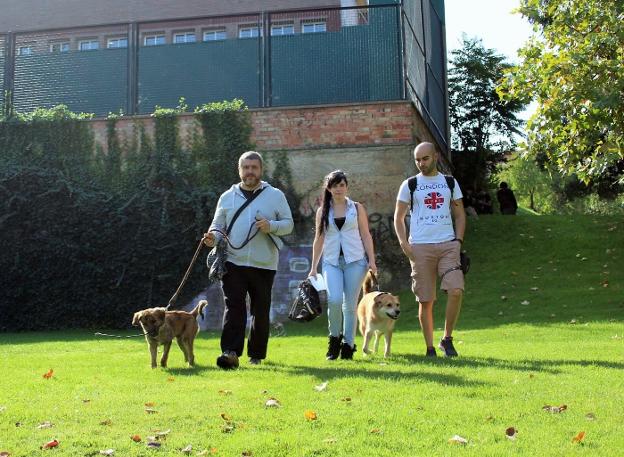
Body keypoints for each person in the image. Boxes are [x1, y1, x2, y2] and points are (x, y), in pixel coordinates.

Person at [204, 151, 293, 369]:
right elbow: (217, 226)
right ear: (239, 170)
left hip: (264, 263)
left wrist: (270, 226)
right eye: (246, 167)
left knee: (260, 310)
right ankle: (230, 352)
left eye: (254, 167)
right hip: (233, 262)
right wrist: (211, 238)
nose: (250, 172)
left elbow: (289, 224)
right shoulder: (227, 197)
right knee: (234, 306)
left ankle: (256, 354)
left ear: (261, 170)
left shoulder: (276, 195)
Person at [393, 142, 466, 357]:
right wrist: (404, 244)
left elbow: (460, 214)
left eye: (425, 158)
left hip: (448, 245)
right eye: (417, 160)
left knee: (455, 290)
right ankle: (430, 348)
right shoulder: (410, 184)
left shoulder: (450, 183)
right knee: (426, 300)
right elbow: (398, 217)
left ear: (435, 157)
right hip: (420, 247)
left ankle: (447, 339)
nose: (421, 163)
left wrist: (458, 241)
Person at [308, 170, 377, 360]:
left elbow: (365, 235)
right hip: (331, 263)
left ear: (346, 187)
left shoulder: (357, 208)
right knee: (335, 300)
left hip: (355, 261)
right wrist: (314, 267)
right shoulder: (323, 211)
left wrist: (371, 260)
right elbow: (319, 239)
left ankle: (348, 345)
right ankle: (334, 340)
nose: (339, 189)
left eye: (342, 185)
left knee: (350, 305)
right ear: (328, 188)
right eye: (335, 185)